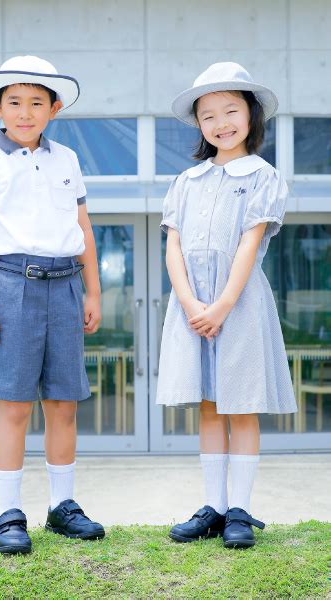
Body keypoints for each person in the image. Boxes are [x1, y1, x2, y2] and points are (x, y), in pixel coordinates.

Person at [0, 55, 104, 554]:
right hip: (10, 285)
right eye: (14, 102)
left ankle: (63, 507)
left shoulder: (67, 160)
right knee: (15, 405)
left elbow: (83, 230)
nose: (25, 112)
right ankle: (8, 514)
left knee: (63, 403)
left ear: (54, 108)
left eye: (36, 103)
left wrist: (93, 291)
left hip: (65, 285)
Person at [156, 62, 297, 549]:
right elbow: (172, 247)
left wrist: (221, 305)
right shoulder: (186, 182)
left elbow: (248, 244)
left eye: (231, 110)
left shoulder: (263, 176)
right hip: (193, 305)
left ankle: (240, 509)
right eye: (208, 114)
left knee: (242, 405)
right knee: (211, 404)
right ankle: (213, 508)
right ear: (198, 123)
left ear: (252, 114)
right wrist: (194, 302)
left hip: (239, 304)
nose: (221, 123)